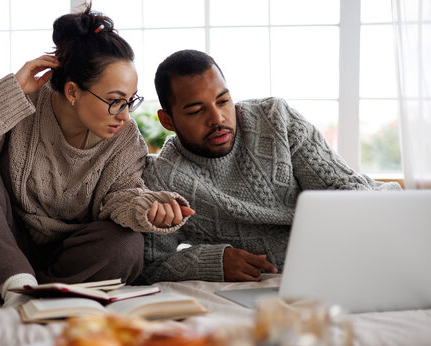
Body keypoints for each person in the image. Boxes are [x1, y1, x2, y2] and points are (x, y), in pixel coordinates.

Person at [0, 6, 193, 305]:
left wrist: (148, 206)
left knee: (126, 243)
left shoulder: (125, 140)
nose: (125, 116)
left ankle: (19, 284)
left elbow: (120, 196)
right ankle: (14, 278)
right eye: (116, 102)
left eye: (130, 101)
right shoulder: (21, 106)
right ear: (73, 91)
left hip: (73, 256)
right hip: (5, 239)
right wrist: (11, 91)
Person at [138, 49, 401, 284]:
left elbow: (344, 189)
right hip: (285, 282)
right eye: (196, 110)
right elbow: (148, 267)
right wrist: (212, 261)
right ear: (167, 120)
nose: (217, 118)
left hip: (351, 251)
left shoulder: (275, 119)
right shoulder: (162, 178)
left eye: (223, 101)